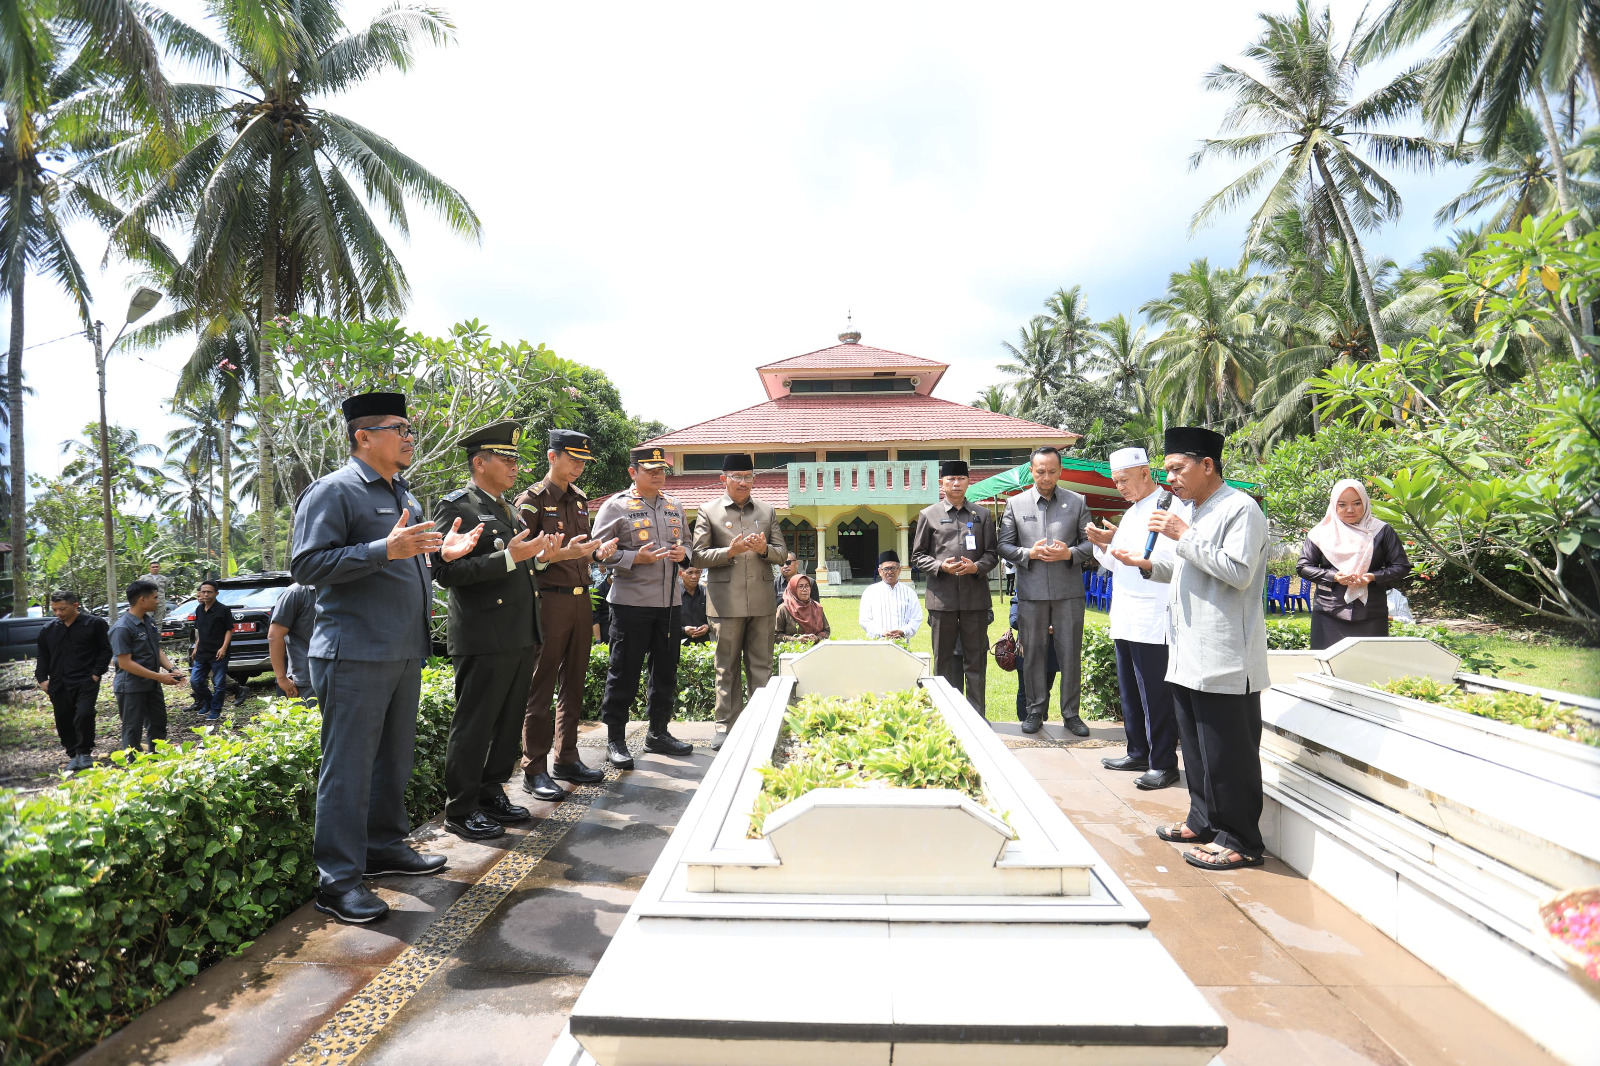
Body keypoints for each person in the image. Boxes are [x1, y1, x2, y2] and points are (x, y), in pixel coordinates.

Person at [290, 391, 482, 924]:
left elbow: (408, 558)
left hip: (401, 649)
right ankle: (338, 882)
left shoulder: (405, 495)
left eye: (410, 429)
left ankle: (383, 846)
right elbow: (306, 566)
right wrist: (383, 550)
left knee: (392, 761)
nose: (409, 437)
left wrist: (440, 554)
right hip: (353, 651)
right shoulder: (335, 491)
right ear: (364, 436)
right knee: (347, 770)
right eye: (399, 427)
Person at [1113, 427, 1269, 872]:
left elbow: (1237, 572)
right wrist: (1146, 564)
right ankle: (1202, 821)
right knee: (1198, 750)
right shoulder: (1196, 511)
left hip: (1224, 655)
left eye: (1178, 470)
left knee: (1229, 754)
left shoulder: (1240, 509)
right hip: (1186, 653)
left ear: (1207, 465)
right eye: (1168, 471)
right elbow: (1189, 569)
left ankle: (1240, 840)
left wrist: (1182, 533)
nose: (1171, 480)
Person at [435, 420, 565, 836]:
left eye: (515, 459)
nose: (514, 467)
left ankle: (491, 793)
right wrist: (509, 557)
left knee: (507, 724)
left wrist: (541, 558)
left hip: (517, 631)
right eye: (505, 459)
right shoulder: (457, 506)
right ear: (479, 462)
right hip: (483, 633)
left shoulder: (505, 507)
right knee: (475, 724)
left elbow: (518, 565)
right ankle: (460, 809)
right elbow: (447, 573)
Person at [515, 429, 615, 801]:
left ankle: (567, 757)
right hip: (548, 600)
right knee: (540, 688)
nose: (578, 467)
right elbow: (524, 559)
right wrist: (558, 555)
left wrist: (597, 553)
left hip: (579, 598)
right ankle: (534, 767)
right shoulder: (531, 501)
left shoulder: (580, 501)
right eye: (572, 459)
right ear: (551, 457)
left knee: (574, 683)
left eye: (582, 462)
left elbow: (579, 552)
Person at [1085, 447, 1191, 790]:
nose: (1120, 487)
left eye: (1125, 480)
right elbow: (1118, 564)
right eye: (1116, 482)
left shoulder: (1170, 508)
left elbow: (1169, 561)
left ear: (1146, 473)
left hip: (1153, 614)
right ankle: (1138, 751)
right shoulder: (1131, 513)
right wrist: (1105, 545)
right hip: (1127, 614)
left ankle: (1163, 763)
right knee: (1130, 690)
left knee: (1155, 694)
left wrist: (1133, 558)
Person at [591, 445, 696, 769]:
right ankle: (616, 740)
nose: (658, 475)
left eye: (661, 469)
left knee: (665, 670)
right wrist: (636, 557)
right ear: (633, 472)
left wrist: (685, 556)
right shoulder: (616, 507)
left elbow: (689, 543)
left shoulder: (674, 505)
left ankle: (658, 732)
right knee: (624, 671)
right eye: (650, 470)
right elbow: (597, 552)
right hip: (630, 604)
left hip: (668, 603)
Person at [997, 446, 1095, 736]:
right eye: (1041, 471)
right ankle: (1035, 711)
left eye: (1052, 471)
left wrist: (1070, 553)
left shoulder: (1078, 502)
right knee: (1034, 654)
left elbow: (1091, 544)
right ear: (1032, 471)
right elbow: (1003, 545)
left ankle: (1071, 714)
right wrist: (1029, 553)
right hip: (1032, 592)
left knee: (1070, 654)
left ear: (1060, 470)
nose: (1046, 476)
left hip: (1069, 592)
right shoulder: (1015, 504)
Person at [693, 453, 785, 749]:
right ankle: (725, 726)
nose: (744, 482)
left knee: (762, 665)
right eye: (738, 477)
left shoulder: (767, 511)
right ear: (724, 479)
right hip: (725, 602)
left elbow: (783, 554)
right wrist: (728, 552)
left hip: (761, 601)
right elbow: (696, 556)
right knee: (726, 667)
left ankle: (760, 722)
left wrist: (763, 549)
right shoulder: (709, 511)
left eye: (749, 476)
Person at [911, 460, 998, 713]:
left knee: (976, 660)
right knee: (944, 661)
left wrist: (977, 567)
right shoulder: (929, 515)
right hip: (942, 600)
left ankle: (977, 715)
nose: (956, 483)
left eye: (961, 478)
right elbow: (917, 556)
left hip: (975, 600)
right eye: (950, 479)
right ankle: (946, 715)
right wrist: (940, 566)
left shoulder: (981, 515)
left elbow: (992, 553)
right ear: (942, 483)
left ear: (968, 481)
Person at [1298, 479, 1412, 650]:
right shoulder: (1320, 533)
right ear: (1334, 505)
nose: (1350, 510)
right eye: (1342, 504)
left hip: (1371, 613)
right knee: (1328, 667)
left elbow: (1401, 566)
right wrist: (1334, 577)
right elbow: (1303, 566)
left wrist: (1373, 577)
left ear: (1365, 503)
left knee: (1370, 667)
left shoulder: (1381, 530)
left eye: (1357, 503)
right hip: (1329, 612)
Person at [35, 590, 112, 771]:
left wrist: (96, 673)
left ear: (75, 605)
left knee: (84, 714)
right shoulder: (49, 630)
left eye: (62, 609)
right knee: (63, 718)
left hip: (86, 680)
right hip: (58, 682)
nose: (58, 613)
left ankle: (84, 753)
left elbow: (105, 650)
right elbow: (43, 656)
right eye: (54, 610)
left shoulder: (95, 624)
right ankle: (73, 754)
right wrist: (42, 679)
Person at [109, 578, 183, 753]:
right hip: (131, 687)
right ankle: (134, 767)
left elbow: (156, 649)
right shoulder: (122, 628)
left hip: (152, 684)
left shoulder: (148, 622)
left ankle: (156, 761)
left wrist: (172, 670)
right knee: (132, 728)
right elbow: (124, 663)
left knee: (158, 724)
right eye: (155, 597)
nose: (158, 601)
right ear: (142, 599)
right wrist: (160, 677)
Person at [188, 579, 234, 721]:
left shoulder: (223, 610)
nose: (206, 594)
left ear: (216, 593)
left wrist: (224, 648)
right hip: (202, 652)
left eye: (209, 592)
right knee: (195, 681)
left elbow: (229, 630)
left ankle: (215, 709)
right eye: (203, 592)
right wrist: (196, 646)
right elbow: (201, 631)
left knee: (219, 683)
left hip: (218, 653)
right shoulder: (199, 609)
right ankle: (208, 701)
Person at [1008, 593, 1056, 723]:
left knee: (1045, 689)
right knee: (1024, 690)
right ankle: (1024, 720)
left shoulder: (1054, 596)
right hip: (1026, 650)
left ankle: (1042, 720)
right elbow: (1014, 620)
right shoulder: (1020, 596)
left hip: (1050, 652)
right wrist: (1044, 627)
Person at [268, 582, 317, 702]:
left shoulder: (340, 589)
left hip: (343, 676)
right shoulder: (296, 593)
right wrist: (281, 677)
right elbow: (275, 636)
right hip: (306, 678)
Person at [858, 551, 922, 639]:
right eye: (886, 569)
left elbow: (916, 618)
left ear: (899, 570)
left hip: (902, 643)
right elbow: (864, 620)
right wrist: (881, 633)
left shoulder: (909, 592)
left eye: (893, 568)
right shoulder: (870, 592)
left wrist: (903, 631)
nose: (890, 572)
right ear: (880, 571)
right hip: (877, 643)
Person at [775, 573, 830, 643]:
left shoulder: (816, 607)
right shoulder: (784, 609)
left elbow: (826, 631)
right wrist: (796, 640)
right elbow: (776, 635)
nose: (805, 590)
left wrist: (817, 638)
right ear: (793, 589)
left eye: (807, 586)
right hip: (793, 650)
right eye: (800, 587)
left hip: (816, 649)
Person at [678, 567, 712, 644]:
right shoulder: (673, 595)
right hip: (679, 644)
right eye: (690, 573)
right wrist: (683, 630)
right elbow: (666, 622)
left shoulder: (707, 592)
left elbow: (716, 617)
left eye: (697, 572)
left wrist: (708, 627)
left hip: (704, 645)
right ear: (680, 574)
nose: (694, 576)